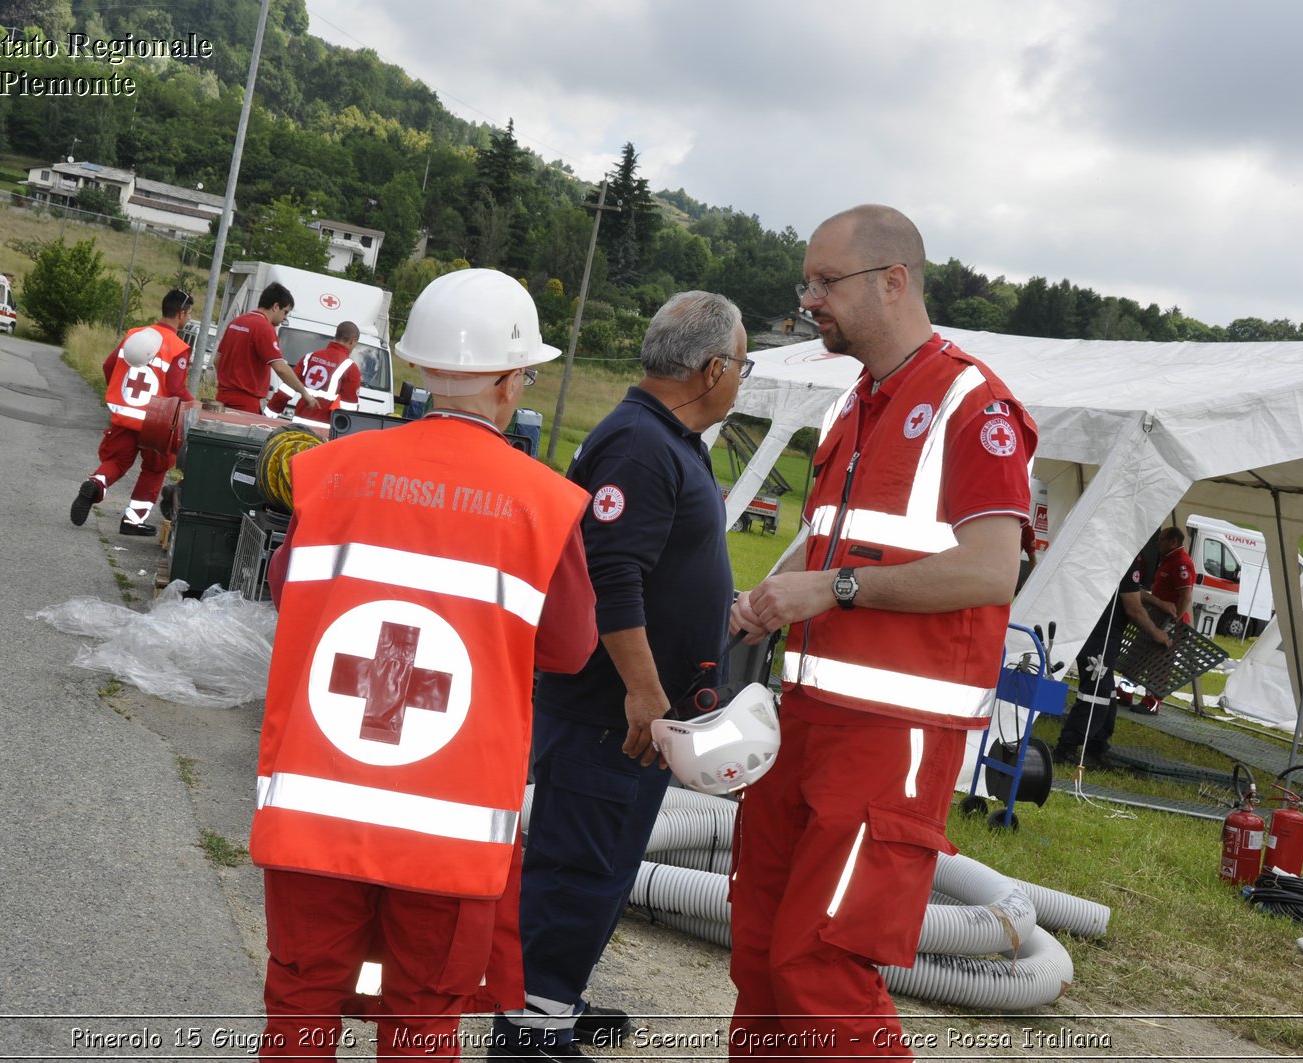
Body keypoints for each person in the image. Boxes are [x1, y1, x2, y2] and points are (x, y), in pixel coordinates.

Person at [249, 268, 599, 1063]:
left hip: (318, 809)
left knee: (301, 1003)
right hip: (448, 833)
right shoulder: (544, 503)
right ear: (511, 381)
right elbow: (573, 646)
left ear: (414, 368)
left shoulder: (332, 470)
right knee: (421, 1023)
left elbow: (287, 587)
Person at [726, 205, 1037, 1058]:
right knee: (758, 953)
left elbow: (990, 570)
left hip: (894, 741)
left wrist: (836, 587)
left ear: (893, 281)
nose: (809, 300)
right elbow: (828, 538)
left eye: (826, 282)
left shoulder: (974, 403)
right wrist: (768, 594)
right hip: (807, 722)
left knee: (818, 967)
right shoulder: (851, 406)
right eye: (808, 282)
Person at [492, 293, 746, 1061]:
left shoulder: (666, 437)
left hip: (628, 714)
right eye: (742, 364)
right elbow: (611, 573)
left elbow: (653, 564)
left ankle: (553, 998)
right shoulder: (642, 444)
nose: (742, 379)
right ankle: (531, 1028)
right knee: (581, 867)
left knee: (600, 864)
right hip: (614, 712)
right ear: (711, 369)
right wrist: (643, 687)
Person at [68, 289, 195, 536]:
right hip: (156, 423)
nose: (188, 319)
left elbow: (108, 365)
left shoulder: (134, 335)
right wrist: (196, 407)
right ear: (181, 313)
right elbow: (177, 388)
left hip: (125, 414)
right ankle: (132, 521)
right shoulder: (178, 347)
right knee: (155, 468)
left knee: (116, 460)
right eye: (188, 315)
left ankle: (95, 484)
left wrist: (117, 390)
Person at [1052, 545, 1172, 767]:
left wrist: (1157, 602)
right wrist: (1157, 633)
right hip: (1101, 636)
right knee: (1094, 695)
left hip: (1096, 632)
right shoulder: (1128, 558)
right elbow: (1133, 608)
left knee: (1107, 693)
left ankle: (1097, 747)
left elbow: (1130, 589)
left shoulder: (1111, 552)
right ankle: (1066, 747)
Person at [213, 281, 324, 416]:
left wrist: (230, 381)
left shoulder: (237, 322)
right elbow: (280, 368)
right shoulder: (264, 328)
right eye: (285, 312)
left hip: (221, 398)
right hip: (245, 403)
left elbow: (217, 360)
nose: (284, 318)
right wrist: (304, 393)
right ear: (276, 306)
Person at [1133, 525, 1196, 714]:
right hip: (1155, 617)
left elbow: (1186, 596)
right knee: (1139, 655)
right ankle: (1125, 692)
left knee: (1161, 663)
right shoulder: (1168, 560)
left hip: (1170, 622)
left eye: (1162, 539)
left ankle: (1152, 703)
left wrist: (1173, 622)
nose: (1158, 543)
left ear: (1173, 542)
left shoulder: (1181, 562)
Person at [265, 320, 362, 419]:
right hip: (323, 429)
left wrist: (268, 416)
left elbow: (286, 389)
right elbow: (349, 409)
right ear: (352, 341)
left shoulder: (310, 357)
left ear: (336, 336)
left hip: (298, 424)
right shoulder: (351, 368)